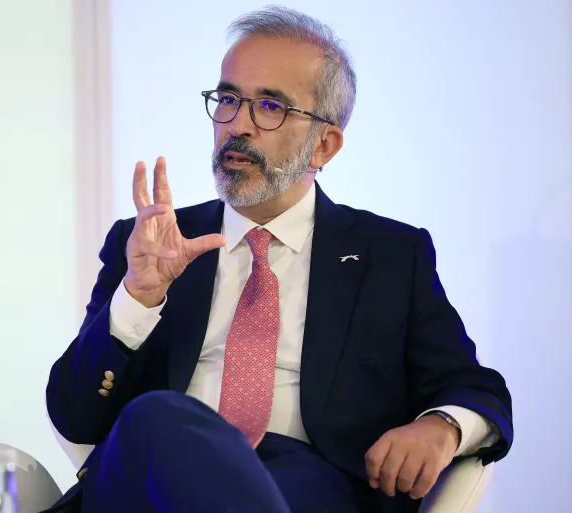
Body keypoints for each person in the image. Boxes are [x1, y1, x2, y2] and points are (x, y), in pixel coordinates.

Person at [43, 6, 513, 513]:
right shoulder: (149, 244)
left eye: (270, 106)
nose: (237, 124)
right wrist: (138, 298)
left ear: (324, 145)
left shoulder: (391, 255)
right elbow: (75, 417)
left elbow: (476, 387)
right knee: (155, 417)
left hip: (307, 486)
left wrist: (441, 426)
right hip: (150, 482)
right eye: (228, 99)